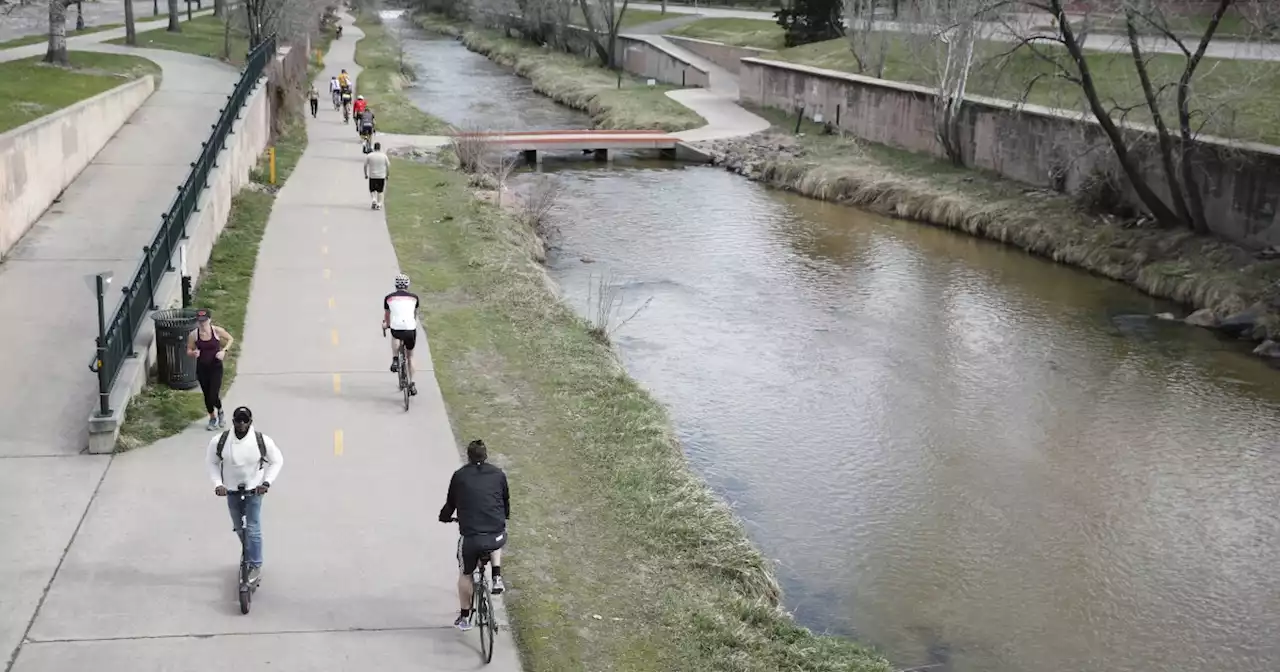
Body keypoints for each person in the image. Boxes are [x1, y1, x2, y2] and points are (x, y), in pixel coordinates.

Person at [207, 406, 284, 585]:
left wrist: (266, 482)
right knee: (239, 527)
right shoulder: (220, 441)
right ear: (233, 421)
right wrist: (218, 484)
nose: (241, 424)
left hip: (254, 490)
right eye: (238, 420)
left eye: (245, 420)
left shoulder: (261, 441)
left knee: (253, 527)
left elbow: (277, 460)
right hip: (231, 490)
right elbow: (211, 462)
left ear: (251, 421)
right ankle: (249, 550)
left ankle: (255, 565)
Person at [438, 439, 509, 631]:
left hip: (472, 539)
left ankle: (464, 617)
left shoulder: (460, 476)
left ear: (468, 456)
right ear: (486, 456)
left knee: (465, 574)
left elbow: (451, 503)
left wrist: (444, 517)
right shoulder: (498, 474)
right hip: (496, 532)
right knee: (495, 539)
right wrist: (504, 517)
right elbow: (505, 499)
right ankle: (496, 576)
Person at [186, 309, 234, 431]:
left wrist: (224, 351)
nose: (202, 324)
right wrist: (193, 353)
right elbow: (189, 350)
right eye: (200, 321)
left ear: (209, 320)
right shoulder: (194, 335)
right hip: (202, 368)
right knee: (207, 395)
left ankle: (220, 411)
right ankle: (212, 418)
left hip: (216, 367)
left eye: (205, 321)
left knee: (213, 394)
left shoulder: (216, 331)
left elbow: (230, 339)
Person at [382, 273, 417, 396]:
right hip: (410, 328)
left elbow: (387, 316)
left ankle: (395, 359)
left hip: (397, 327)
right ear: (407, 285)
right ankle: (412, 383)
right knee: (410, 356)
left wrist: (386, 324)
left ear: (396, 285)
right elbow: (414, 314)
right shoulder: (414, 298)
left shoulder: (388, 298)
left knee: (395, 334)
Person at [364, 141, 390, 211]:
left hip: (372, 176)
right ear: (380, 148)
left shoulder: (369, 155)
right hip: (381, 176)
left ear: (374, 148)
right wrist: (387, 175)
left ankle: (374, 199)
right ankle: (379, 204)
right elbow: (388, 166)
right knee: (380, 191)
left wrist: (366, 174)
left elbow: (365, 165)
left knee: (372, 190)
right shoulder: (384, 156)